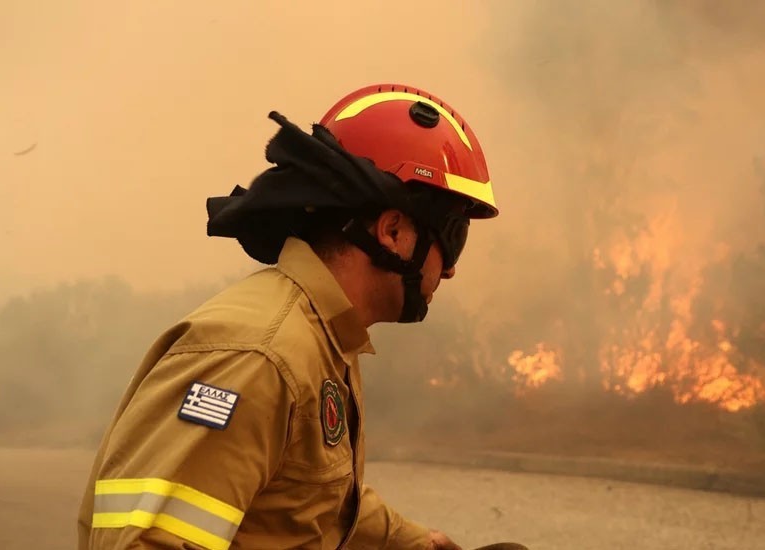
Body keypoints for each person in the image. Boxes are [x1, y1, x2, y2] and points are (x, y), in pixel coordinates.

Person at [77, 83, 502, 549]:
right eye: (454, 237)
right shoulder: (259, 357)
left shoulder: (320, 339)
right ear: (393, 231)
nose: (454, 268)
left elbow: (309, 507)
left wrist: (423, 545)